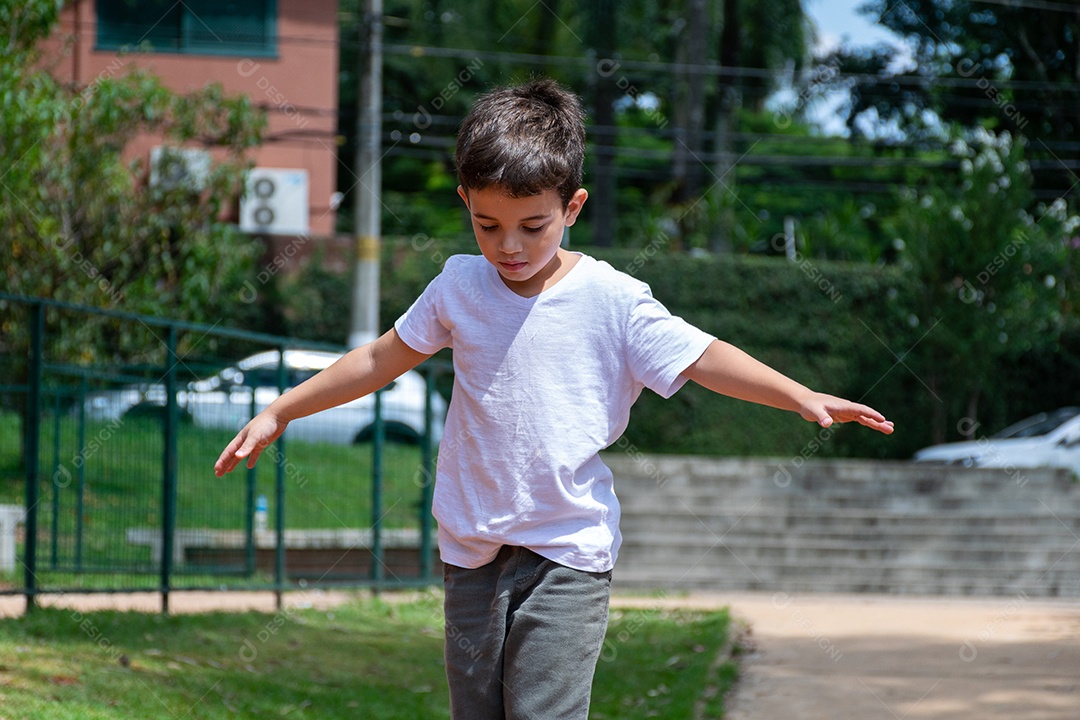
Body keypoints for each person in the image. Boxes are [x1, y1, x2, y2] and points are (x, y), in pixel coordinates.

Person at [214, 78, 893, 719]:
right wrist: (281, 408)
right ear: (465, 205)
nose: (508, 247)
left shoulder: (613, 300)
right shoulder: (457, 286)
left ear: (572, 208)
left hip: (567, 550)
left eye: (532, 227)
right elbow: (378, 358)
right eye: (487, 225)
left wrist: (798, 393)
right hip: (471, 548)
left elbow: (704, 356)